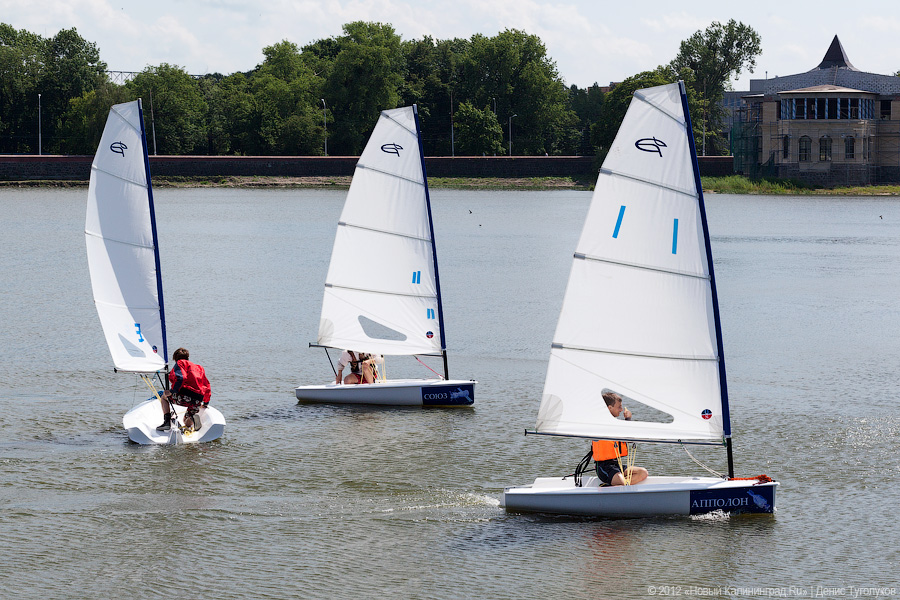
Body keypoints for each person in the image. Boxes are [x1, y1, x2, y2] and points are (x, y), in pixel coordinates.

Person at [592, 391, 649, 486]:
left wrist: (628, 420)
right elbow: (625, 435)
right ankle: (617, 483)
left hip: (616, 465)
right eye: (619, 407)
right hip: (604, 467)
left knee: (643, 472)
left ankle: (613, 485)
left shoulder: (615, 424)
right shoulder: (601, 424)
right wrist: (628, 420)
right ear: (609, 408)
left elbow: (629, 439)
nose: (621, 410)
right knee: (622, 483)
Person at [156, 347, 211, 432]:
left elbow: (181, 378)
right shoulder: (199, 368)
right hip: (197, 399)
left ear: (175, 359)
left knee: (163, 397)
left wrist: (172, 391)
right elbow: (206, 386)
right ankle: (192, 418)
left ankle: (167, 422)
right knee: (186, 421)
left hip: (185, 396)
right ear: (188, 357)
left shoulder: (180, 363)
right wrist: (206, 402)